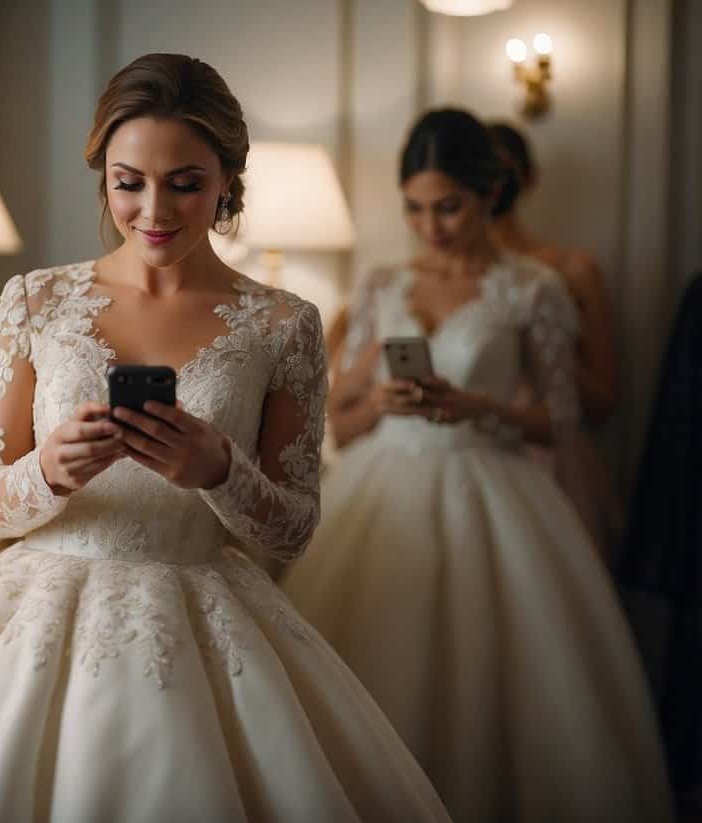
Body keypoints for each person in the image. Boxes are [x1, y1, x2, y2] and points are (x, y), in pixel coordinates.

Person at [0, 54, 451, 823]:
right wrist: (49, 469)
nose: (154, 209)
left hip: (207, 621)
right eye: (129, 182)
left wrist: (219, 469)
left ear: (228, 179)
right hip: (32, 614)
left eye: (185, 182)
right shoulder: (35, 298)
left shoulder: (283, 324)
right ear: (105, 178)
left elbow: (294, 528)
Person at [282, 108, 672, 823]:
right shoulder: (383, 286)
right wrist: (389, 406)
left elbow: (559, 418)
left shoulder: (533, 289)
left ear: (490, 195)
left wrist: (472, 406)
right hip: (384, 485)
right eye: (415, 208)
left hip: (493, 485)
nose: (431, 226)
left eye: (449, 207)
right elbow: (340, 418)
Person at [488, 121, 623, 556]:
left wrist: (548, 350)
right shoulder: (426, 279)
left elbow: (603, 401)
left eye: (501, 176)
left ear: (527, 180)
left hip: (548, 461)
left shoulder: (571, 270)